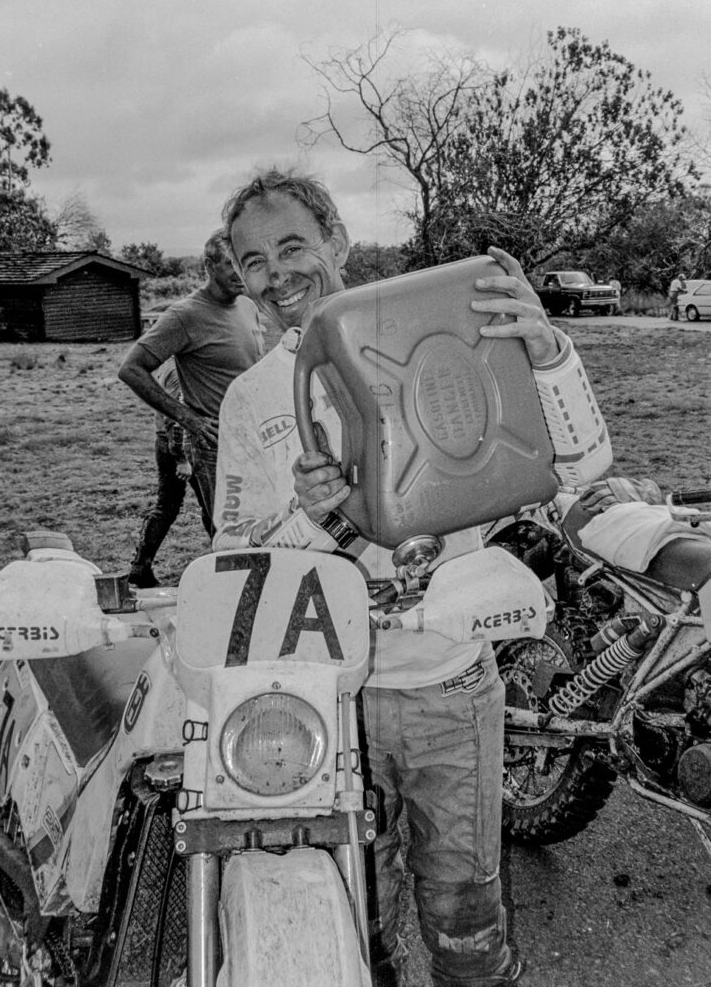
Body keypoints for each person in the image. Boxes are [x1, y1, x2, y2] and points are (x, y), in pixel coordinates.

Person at [212, 168, 612, 987]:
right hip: (323, 696)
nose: (277, 273)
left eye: (293, 246)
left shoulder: (437, 331)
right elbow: (232, 560)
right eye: (253, 261)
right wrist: (310, 515)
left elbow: (582, 463)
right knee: (355, 916)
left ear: (337, 244)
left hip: (448, 686)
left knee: (464, 916)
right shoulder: (252, 400)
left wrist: (549, 353)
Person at [118, 229, 263, 538]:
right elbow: (131, 369)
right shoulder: (185, 315)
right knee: (229, 535)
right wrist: (189, 419)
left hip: (255, 439)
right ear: (208, 266)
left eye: (244, 261)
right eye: (228, 263)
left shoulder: (248, 306)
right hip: (215, 445)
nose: (240, 271)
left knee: (261, 526)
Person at [127, 357, 212, 587]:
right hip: (182, 444)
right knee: (209, 505)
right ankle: (223, 561)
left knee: (169, 506)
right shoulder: (179, 370)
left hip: (170, 442)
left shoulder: (172, 364)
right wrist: (182, 459)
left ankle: (140, 567)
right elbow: (175, 415)